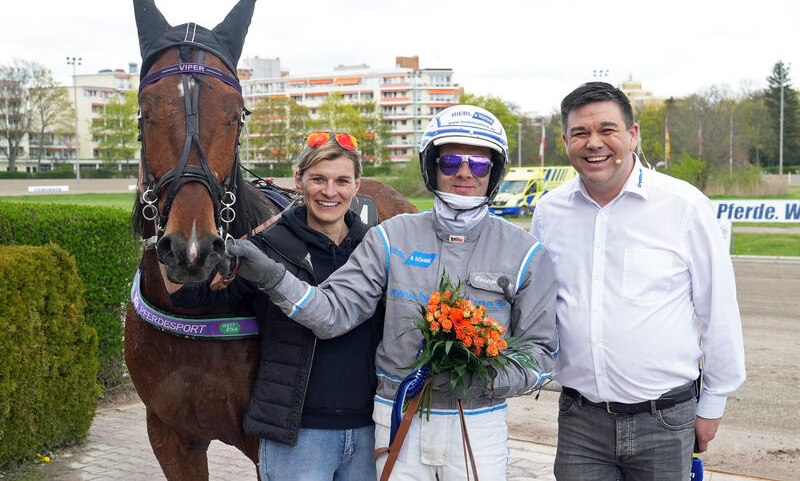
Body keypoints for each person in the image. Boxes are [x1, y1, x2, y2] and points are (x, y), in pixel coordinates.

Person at [227, 104, 559, 481]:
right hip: (398, 417)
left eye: (479, 165)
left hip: (478, 421)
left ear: (494, 172)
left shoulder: (527, 253)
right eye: (450, 162)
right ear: (432, 166)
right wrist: (272, 277)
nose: (464, 172)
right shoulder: (390, 236)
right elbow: (333, 314)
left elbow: (542, 355)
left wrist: (485, 377)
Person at [529, 82, 746, 480]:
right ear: (565, 141)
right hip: (580, 421)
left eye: (607, 130)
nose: (594, 143)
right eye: (581, 133)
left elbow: (719, 311)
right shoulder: (548, 212)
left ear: (633, 135)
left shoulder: (684, 207)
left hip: (664, 420)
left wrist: (713, 404)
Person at [167, 132, 380, 480]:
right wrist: (173, 232)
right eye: (318, 179)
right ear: (299, 180)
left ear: (357, 184)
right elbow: (191, 297)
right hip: (297, 438)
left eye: (342, 180)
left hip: (369, 431)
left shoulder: (376, 245)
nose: (330, 191)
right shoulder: (267, 248)